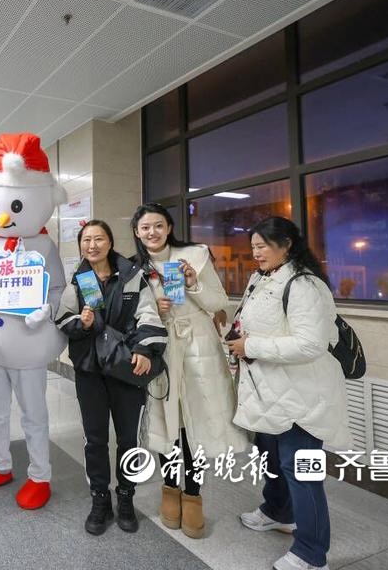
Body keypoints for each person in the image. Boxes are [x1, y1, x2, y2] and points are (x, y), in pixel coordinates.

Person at [225, 216, 349, 570]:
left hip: (304, 397)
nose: (256, 253)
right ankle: (278, 512)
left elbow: (311, 344)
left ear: (287, 244)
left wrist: (252, 345)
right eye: (253, 247)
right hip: (269, 393)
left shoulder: (305, 284)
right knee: (273, 461)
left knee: (303, 472)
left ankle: (312, 554)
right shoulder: (262, 279)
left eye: (262, 245)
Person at [132, 203, 248, 539]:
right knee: (167, 423)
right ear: (137, 233)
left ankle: (193, 496)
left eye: (158, 225)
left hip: (198, 348)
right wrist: (156, 307)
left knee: (195, 425)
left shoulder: (193, 256)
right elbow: (131, 315)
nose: (151, 233)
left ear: (168, 227)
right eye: (144, 228)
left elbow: (219, 303)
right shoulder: (134, 269)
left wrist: (195, 283)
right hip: (162, 349)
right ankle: (170, 490)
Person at [55, 220, 166, 536]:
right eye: (86, 240)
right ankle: (100, 498)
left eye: (98, 238)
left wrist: (144, 349)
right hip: (90, 370)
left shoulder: (132, 276)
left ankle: (126, 497)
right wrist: (84, 322)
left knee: (129, 439)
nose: (92, 245)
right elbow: (64, 320)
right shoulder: (80, 281)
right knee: (95, 438)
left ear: (110, 242)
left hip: (126, 367)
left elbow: (148, 314)